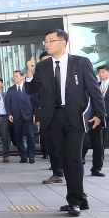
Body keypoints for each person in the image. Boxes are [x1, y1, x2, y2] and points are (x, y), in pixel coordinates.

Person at [24, 29, 104, 216]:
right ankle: (79, 198)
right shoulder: (43, 67)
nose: (47, 44)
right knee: (64, 160)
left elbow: (94, 90)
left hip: (75, 117)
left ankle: (74, 201)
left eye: (51, 40)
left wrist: (100, 114)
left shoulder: (81, 63)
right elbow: (30, 90)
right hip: (53, 118)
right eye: (46, 41)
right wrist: (29, 72)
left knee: (74, 158)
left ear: (63, 42)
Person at [30, 53, 65, 183]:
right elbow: (34, 97)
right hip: (46, 116)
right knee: (52, 146)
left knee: (66, 146)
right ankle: (57, 172)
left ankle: (68, 171)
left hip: (64, 116)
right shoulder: (39, 80)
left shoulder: (62, 76)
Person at [5, 71, 35, 163]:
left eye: (17, 76)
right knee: (18, 136)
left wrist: (34, 114)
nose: (15, 78)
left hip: (28, 114)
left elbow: (33, 101)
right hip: (16, 116)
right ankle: (23, 156)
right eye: (14, 76)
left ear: (22, 77)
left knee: (30, 135)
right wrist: (9, 114)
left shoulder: (29, 88)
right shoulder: (10, 90)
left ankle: (31, 156)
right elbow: (8, 104)